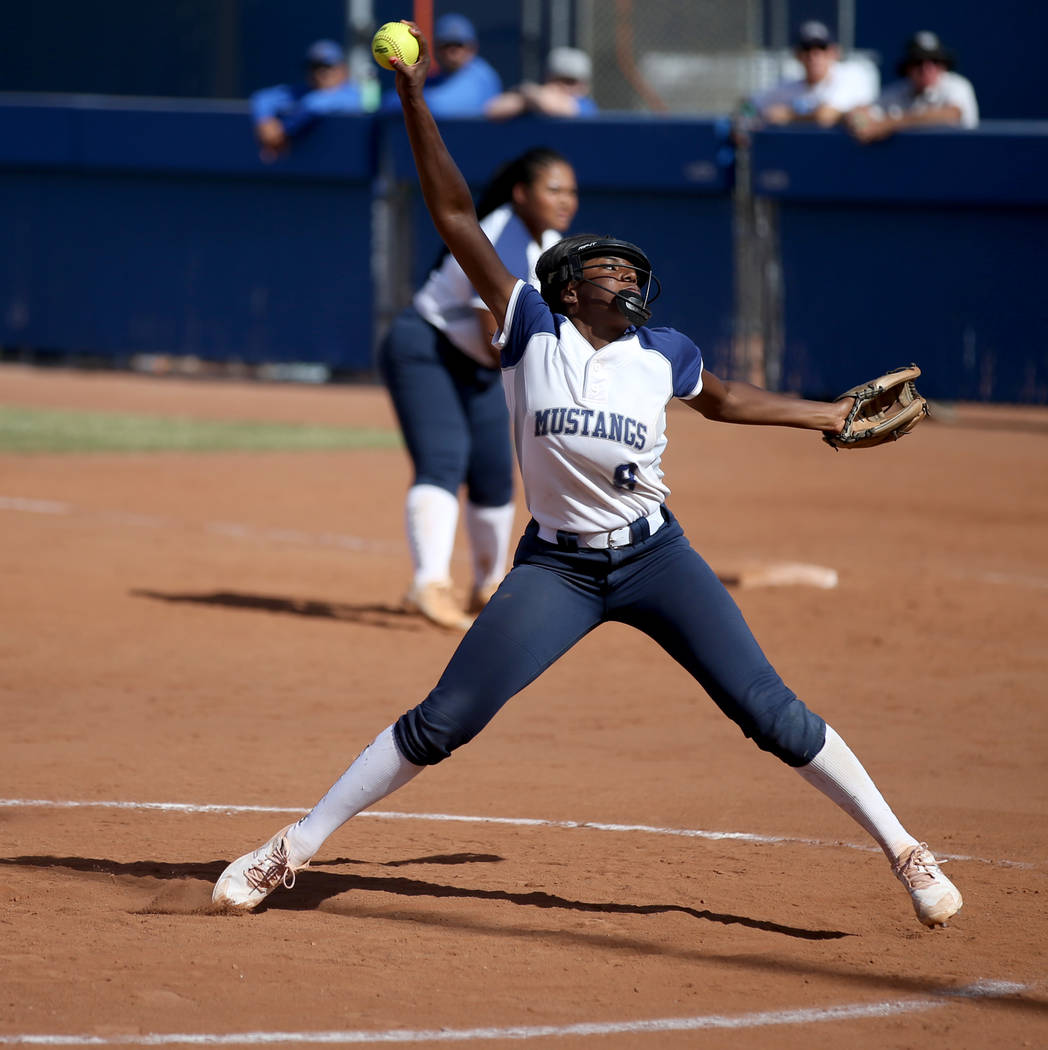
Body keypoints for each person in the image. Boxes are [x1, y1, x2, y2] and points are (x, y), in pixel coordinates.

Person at [213, 24, 963, 931]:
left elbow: (725, 400)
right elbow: (453, 217)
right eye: (610, 268)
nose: (628, 276)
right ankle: (291, 847)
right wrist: (411, 93)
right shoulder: (532, 325)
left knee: (769, 711)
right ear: (568, 288)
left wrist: (826, 417)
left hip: (657, 560)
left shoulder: (665, 352)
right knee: (442, 722)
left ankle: (905, 849)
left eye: (636, 270)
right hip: (557, 571)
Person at [379, 146, 579, 630]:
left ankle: (489, 586)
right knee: (445, 459)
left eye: (571, 190)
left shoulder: (546, 241)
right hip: (428, 347)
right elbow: (495, 334)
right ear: (521, 193)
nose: (565, 199)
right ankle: (429, 584)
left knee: (492, 472)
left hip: (483, 360)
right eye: (553, 189)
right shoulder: (502, 233)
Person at [845, 31, 979, 144]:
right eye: (918, 62)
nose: (927, 68)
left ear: (943, 65)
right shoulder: (899, 90)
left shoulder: (958, 86)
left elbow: (951, 115)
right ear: (907, 67)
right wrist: (860, 123)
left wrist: (888, 124)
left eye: (935, 61)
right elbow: (861, 111)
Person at [250, 40, 366, 161]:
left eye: (327, 66)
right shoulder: (302, 93)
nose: (320, 73)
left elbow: (316, 105)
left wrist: (283, 130)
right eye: (314, 67)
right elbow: (262, 98)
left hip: (345, 166)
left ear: (343, 69)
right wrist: (265, 120)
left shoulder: (354, 94)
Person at [747, 20, 876, 129]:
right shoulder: (789, 84)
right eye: (807, 49)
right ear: (797, 55)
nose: (814, 56)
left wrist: (787, 115)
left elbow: (825, 116)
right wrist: (743, 122)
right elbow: (749, 105)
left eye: (821, 48)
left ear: (834, 53)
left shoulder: (851, 73)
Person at [380, 13, 501, 118]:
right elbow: (387, 103)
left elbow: (437, 107)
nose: (451, 51)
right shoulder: (438, 78)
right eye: (446, 45)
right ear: (436, 49)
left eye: (458, 45)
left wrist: (408, 99)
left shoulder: (481, 75)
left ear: (472, 48)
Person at [485, 47, 598, 121]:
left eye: (570, 82)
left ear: (584, 86)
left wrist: (531, 93)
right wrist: (529, 98)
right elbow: (493, 110)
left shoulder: (585, 105)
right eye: (558, 80)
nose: (562, 86)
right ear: (547, 79)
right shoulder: (531, 100)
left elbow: (562, 109)